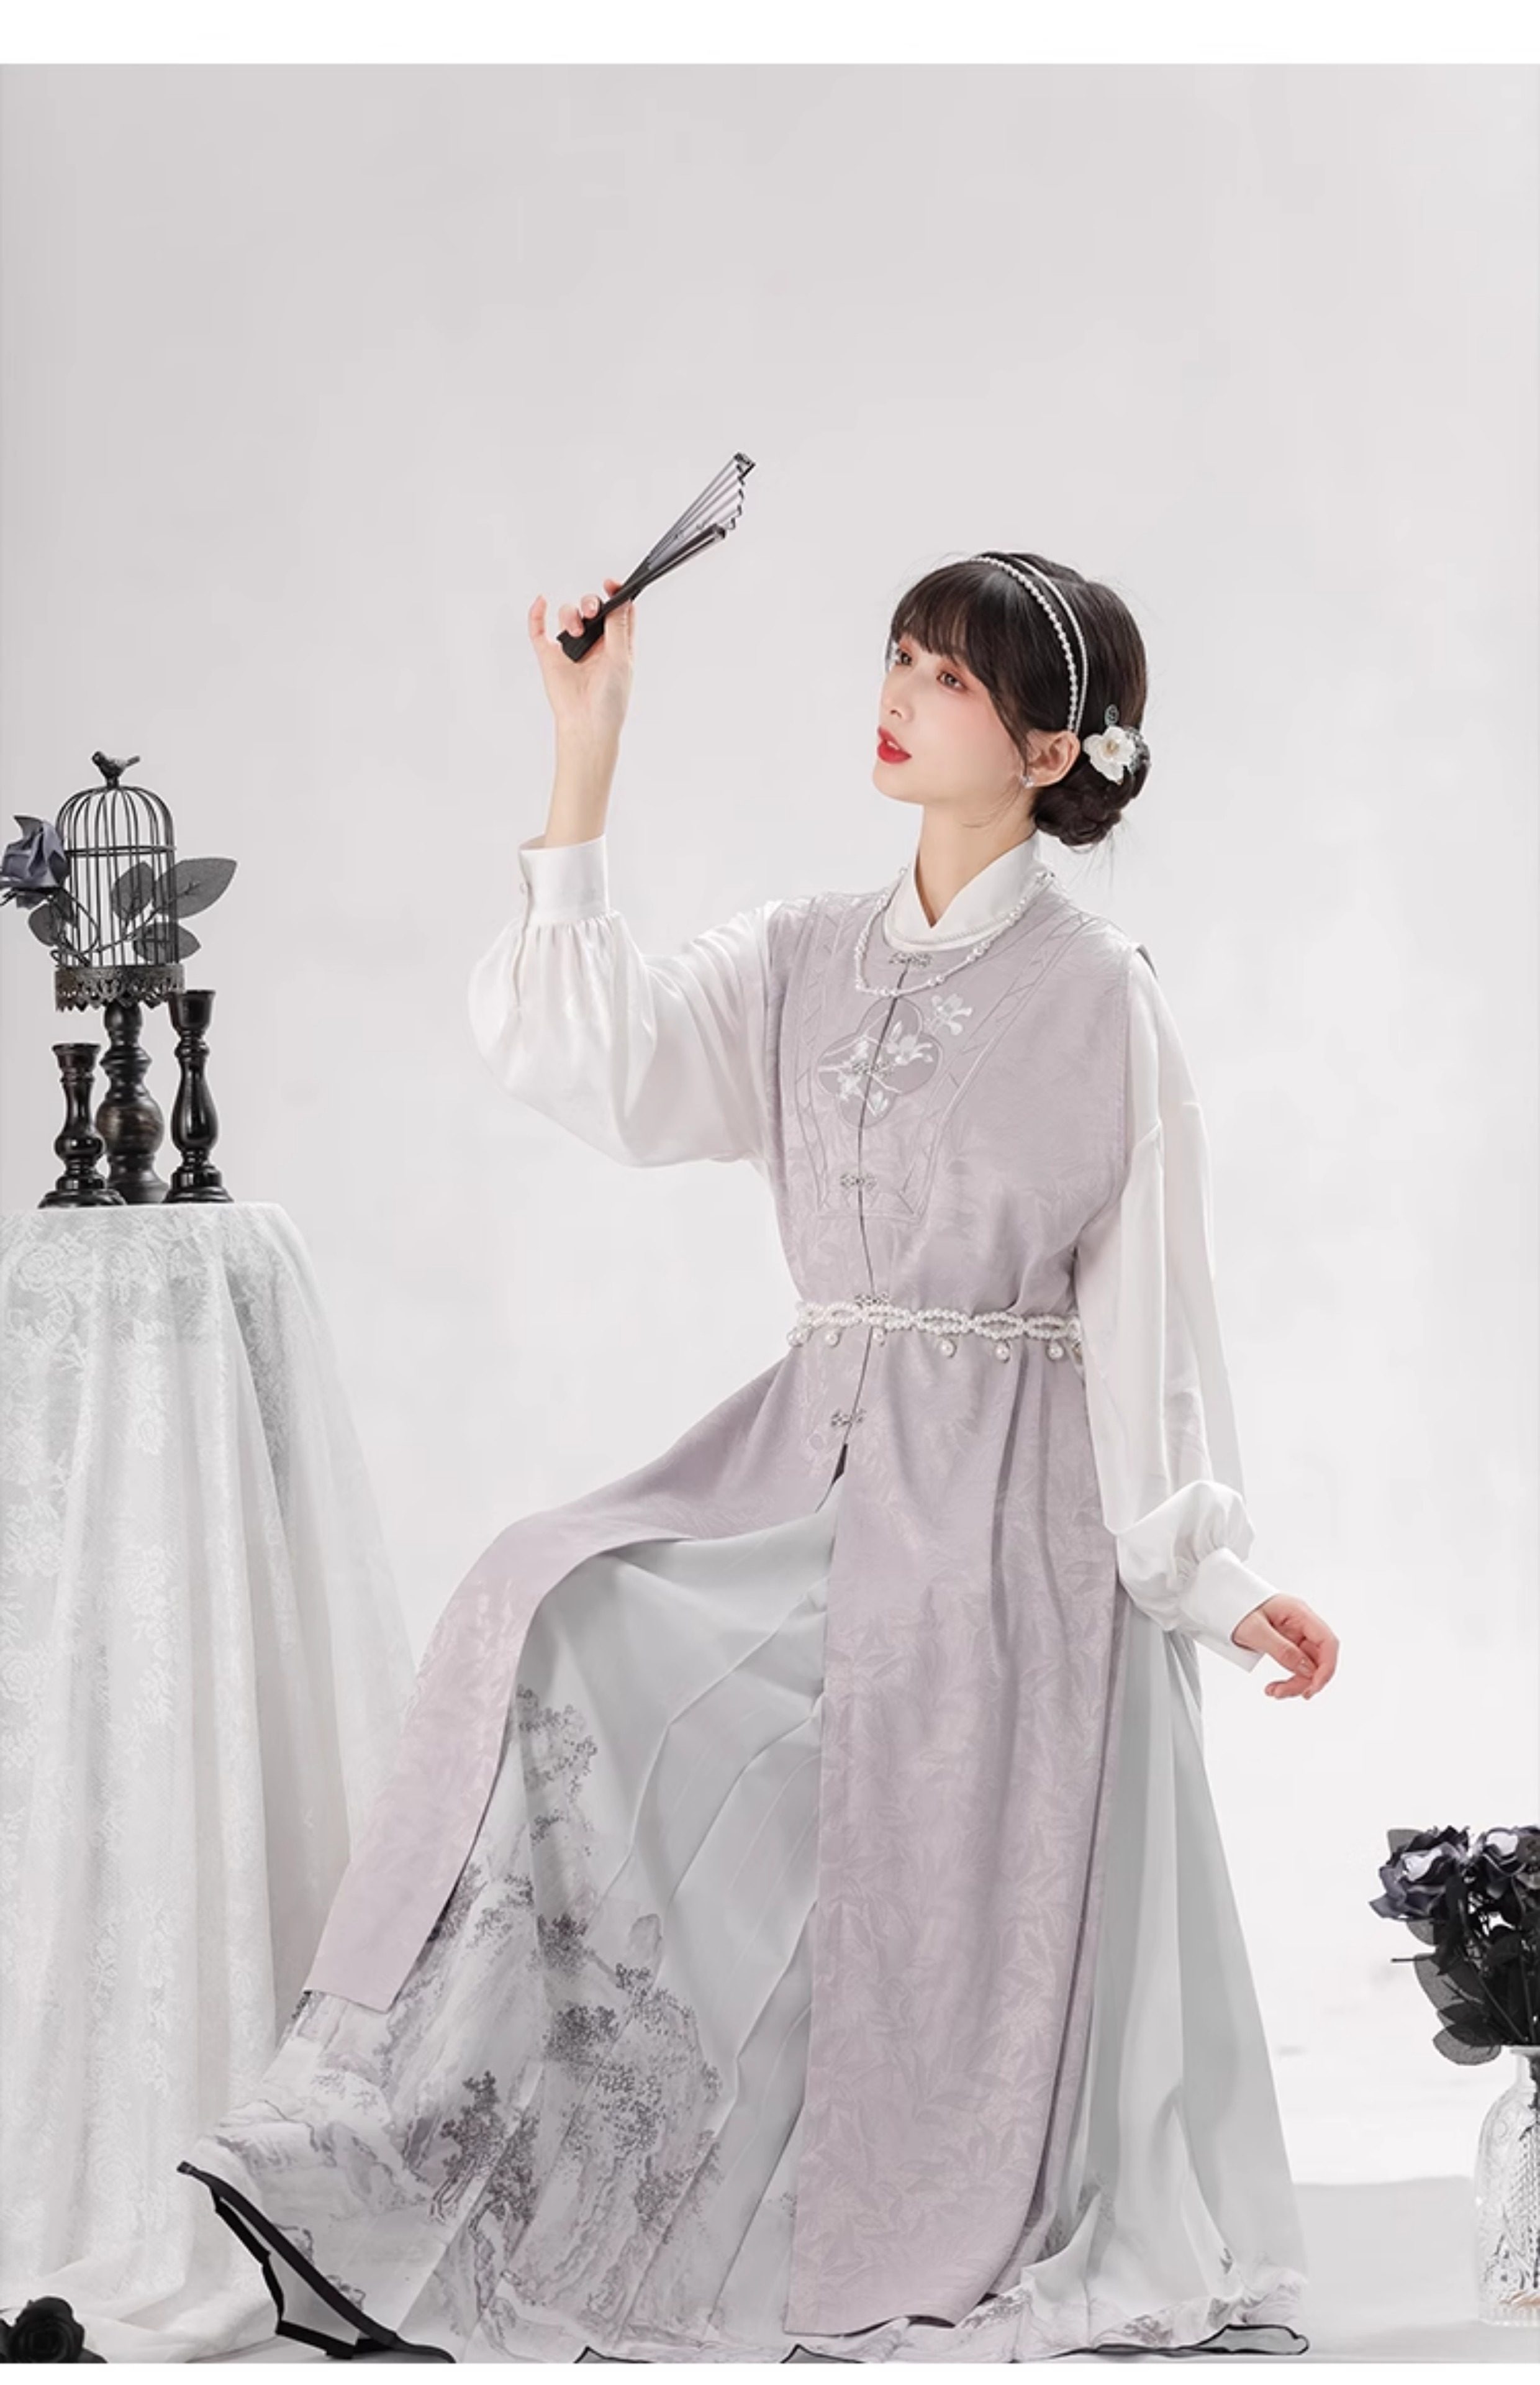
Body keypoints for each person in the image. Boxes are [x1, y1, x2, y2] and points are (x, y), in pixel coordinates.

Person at [178, 550, 1338, 2362]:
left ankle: (858, 2184)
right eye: (898, 656)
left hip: (1004, 1522)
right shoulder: (803, 958)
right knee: (550, 1593)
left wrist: (1211, 1575)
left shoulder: (1102, 997)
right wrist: (587, 748)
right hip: (808, 1454)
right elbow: (599, 1061)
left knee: (837, 1788)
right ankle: (440, 2137)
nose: (896, 694)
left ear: (1049, 748)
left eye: (948, 678)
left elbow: (1151, 1325)